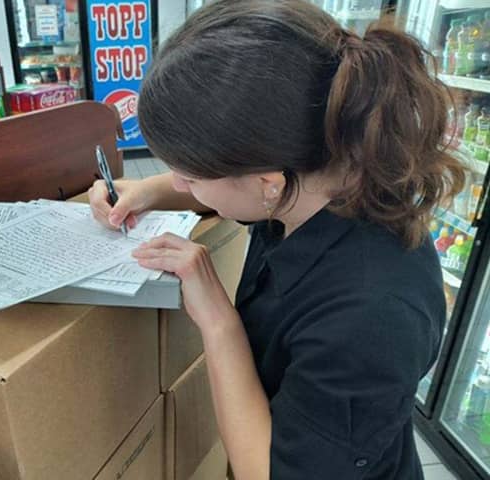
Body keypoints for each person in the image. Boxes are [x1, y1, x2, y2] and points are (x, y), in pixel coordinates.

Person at [88, 1, 466, 478]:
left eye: (187, 176)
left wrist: (218, 320)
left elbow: (264, 471)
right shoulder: (327, 171)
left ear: (269, 182)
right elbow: (229, 191)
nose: (178, 186)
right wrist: (143, 191)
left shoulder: (367, 319)